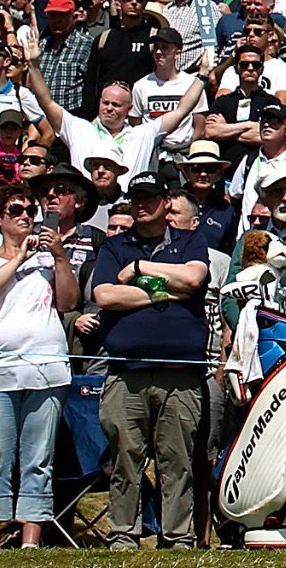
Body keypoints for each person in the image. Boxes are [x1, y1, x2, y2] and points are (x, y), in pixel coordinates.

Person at [86, 170, 212, 548]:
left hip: (181, 374)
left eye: (149, 198)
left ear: (165, 203)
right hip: (126, 373)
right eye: (135, 199)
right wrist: (164, 293)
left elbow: (193, 280)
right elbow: (106, 296)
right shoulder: (114, 247)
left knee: (178, 460)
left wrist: (140, 271)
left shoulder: (192, 240)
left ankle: (177, 536)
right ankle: (124, 533)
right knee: (126, 458)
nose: (141, 205)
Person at [0, 182, 76, 548]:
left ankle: (31, 538)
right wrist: (18, 259)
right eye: (16, 210)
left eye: (30, 210)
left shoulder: (48, 260)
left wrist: (59, 258)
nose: (26, 216)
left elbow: (69, 302)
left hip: (47, 368)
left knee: (39, 457)